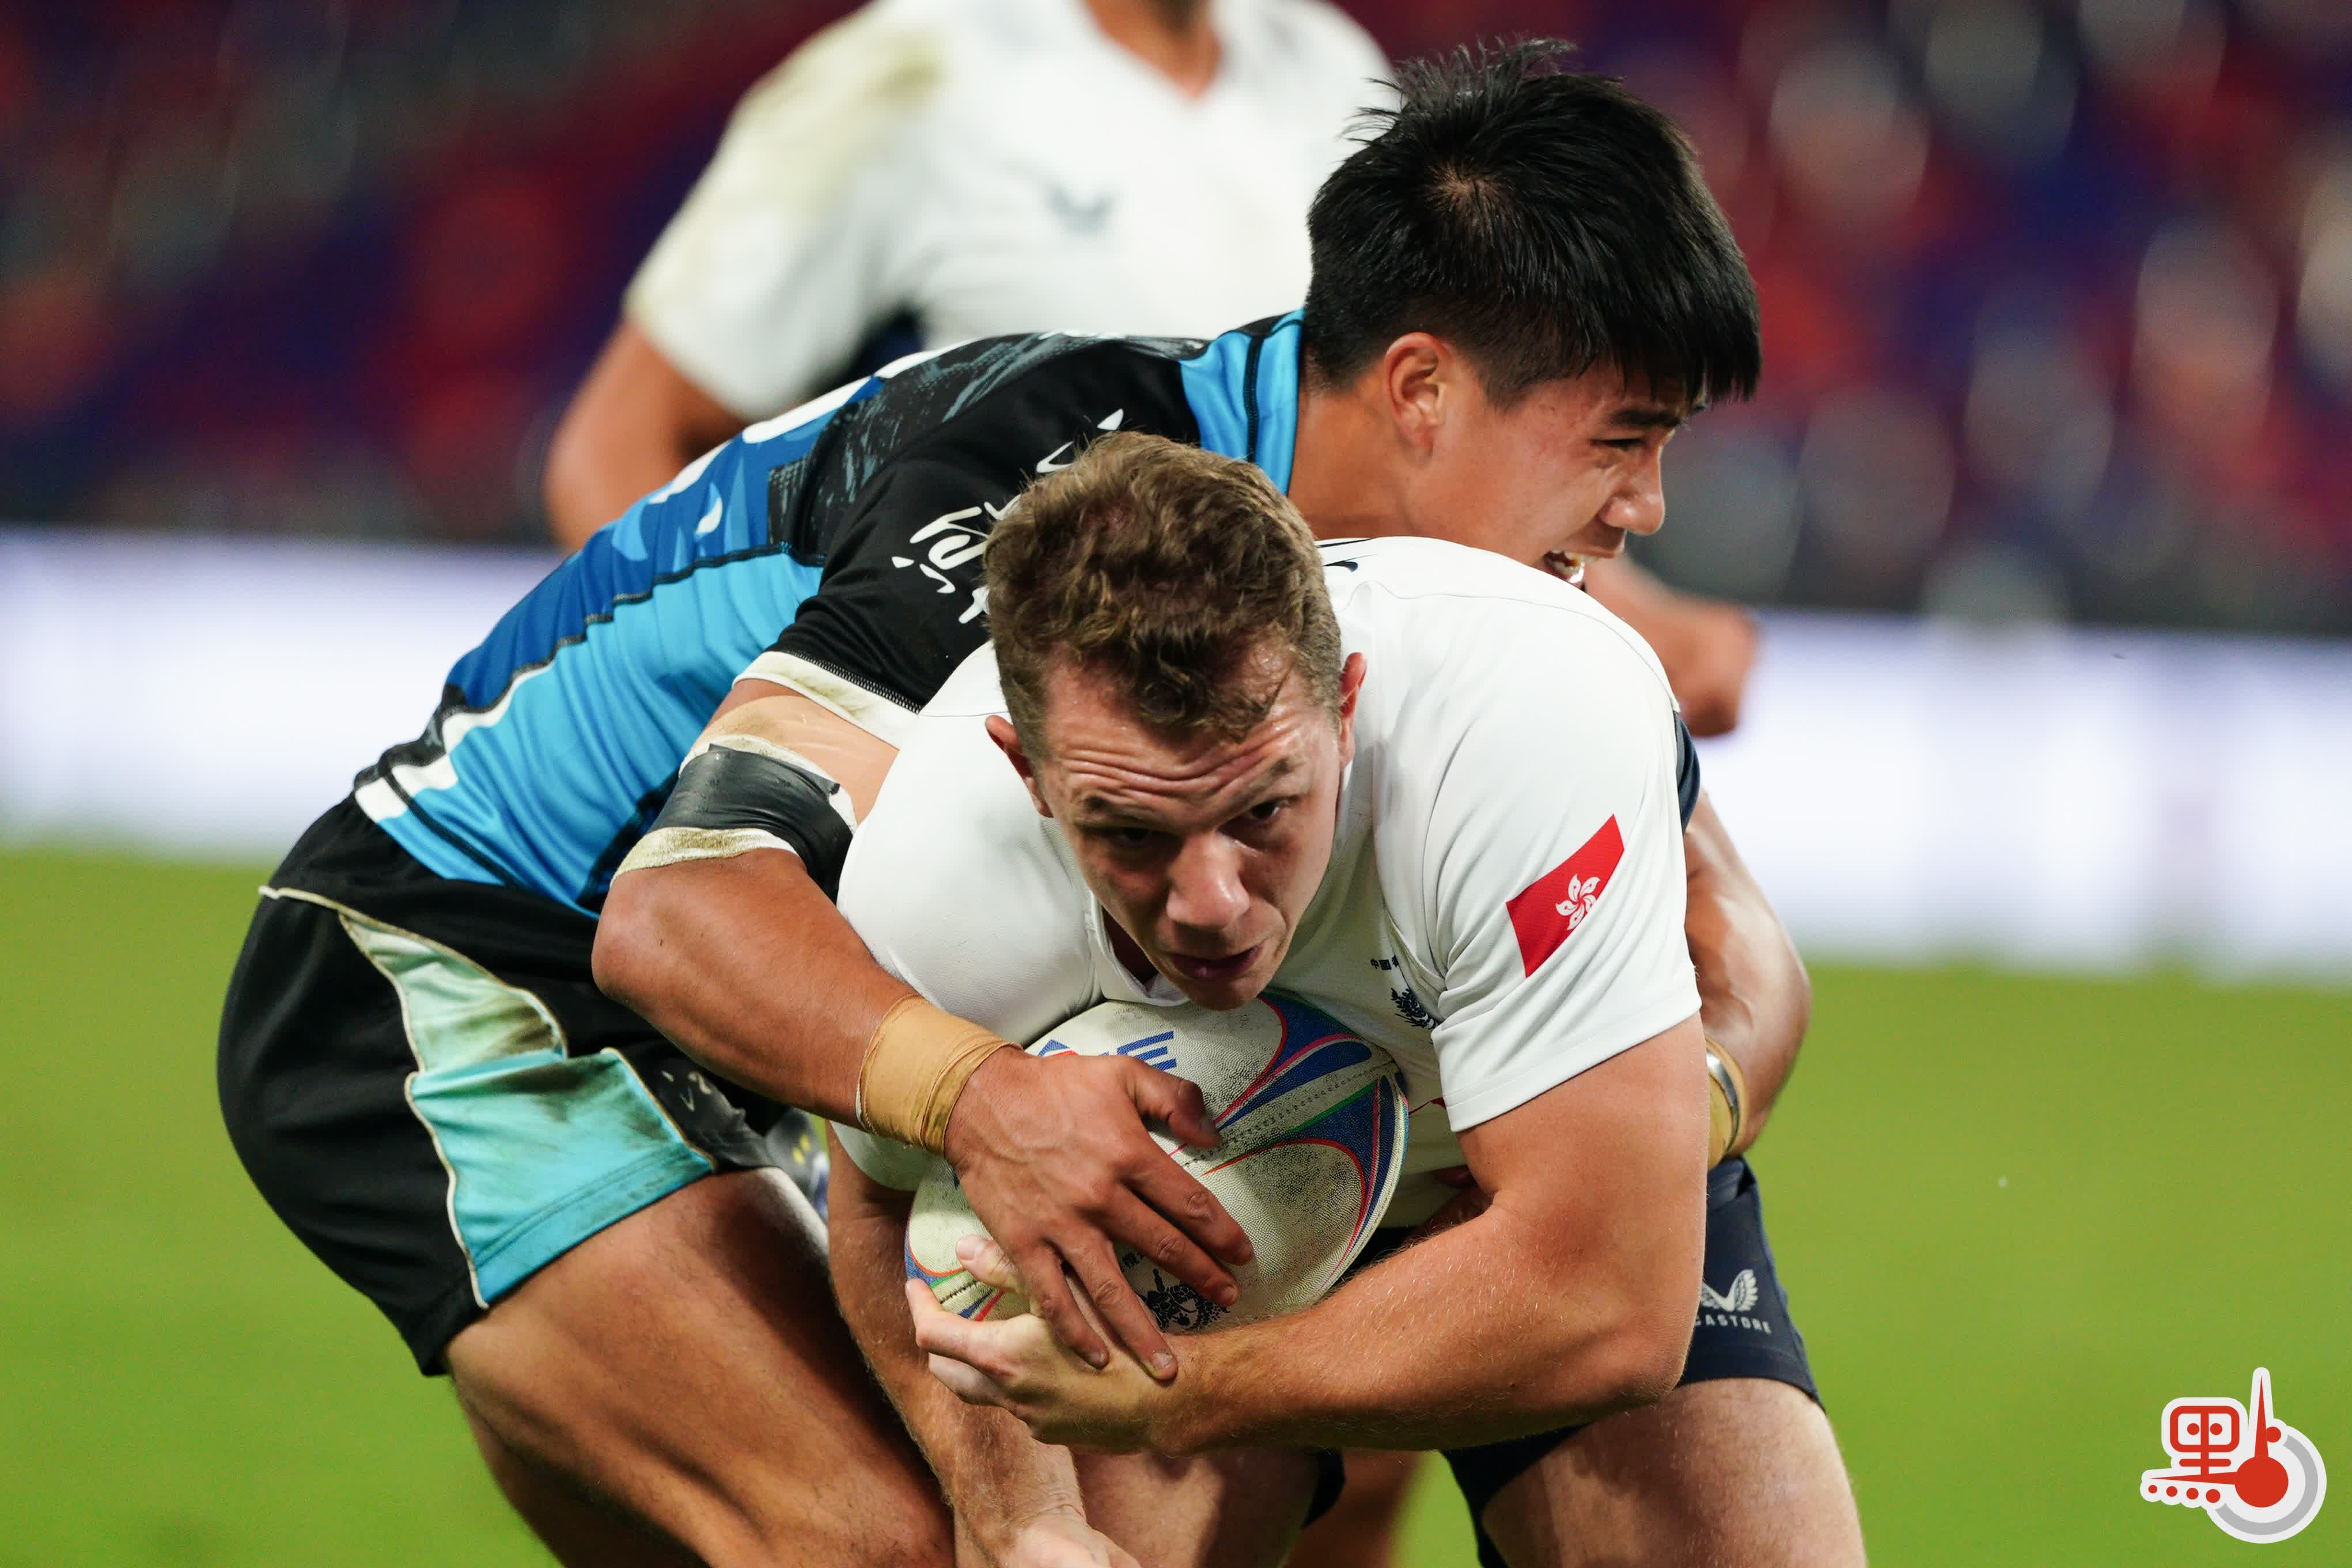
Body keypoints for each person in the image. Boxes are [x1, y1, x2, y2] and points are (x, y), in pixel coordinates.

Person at [215, 44, 1832, 1567]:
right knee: (914, 1541)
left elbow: (1738, 949)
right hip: (492, 963)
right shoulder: (1058, 519)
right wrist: (986, 1101)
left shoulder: (1499, 633)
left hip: (859, 1001)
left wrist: (1641, 1129)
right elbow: (686, 910)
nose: (1644, 508)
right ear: (1420, 391)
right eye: (1620, 441)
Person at [815, 429, 1798, 1566]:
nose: (1212, 905)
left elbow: (1610, 1301)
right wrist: (1017, 1513)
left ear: (1345, 708)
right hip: (1185, 1243)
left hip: (1540, 1170)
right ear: (1026, 769)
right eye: (1131, 832)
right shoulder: (934, 875)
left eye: (1261, 812)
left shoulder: (1518, 727)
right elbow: (878, 1204)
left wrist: (1187, 1395)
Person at [542, 0, 1759, 741]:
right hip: (998, 736)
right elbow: (618, 447)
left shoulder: (1323, 66)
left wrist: (1632, 616)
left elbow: (1420, 419)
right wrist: (791, 742)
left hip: (1229, 735)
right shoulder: (907, 75)